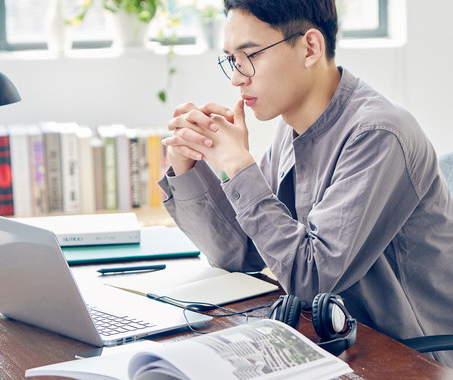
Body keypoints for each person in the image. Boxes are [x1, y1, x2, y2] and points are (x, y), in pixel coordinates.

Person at [159, 0, 453, 366]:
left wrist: (238, 166)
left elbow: (311, 278)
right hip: (339, 341)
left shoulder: (378, 133)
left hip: (413, 357)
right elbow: (241, 252)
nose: (237, 78)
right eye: (232, 60)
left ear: (310, 47)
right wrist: (186, 168)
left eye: (249, 55)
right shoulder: (293, 125)